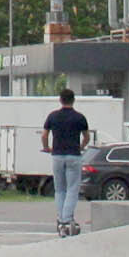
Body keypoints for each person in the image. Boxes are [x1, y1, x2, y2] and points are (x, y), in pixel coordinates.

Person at [40, 89, 92, 235]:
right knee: (72, 189)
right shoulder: (79, 118)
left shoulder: (53, 116)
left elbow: (44, 135)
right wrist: (81, 146)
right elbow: (87, 137)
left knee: (60, 189)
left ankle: (61, 219)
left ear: (60, 100)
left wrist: (47, 148)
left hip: (57, 155)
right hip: (74, 156)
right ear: (73, 100)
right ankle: (66, 219)